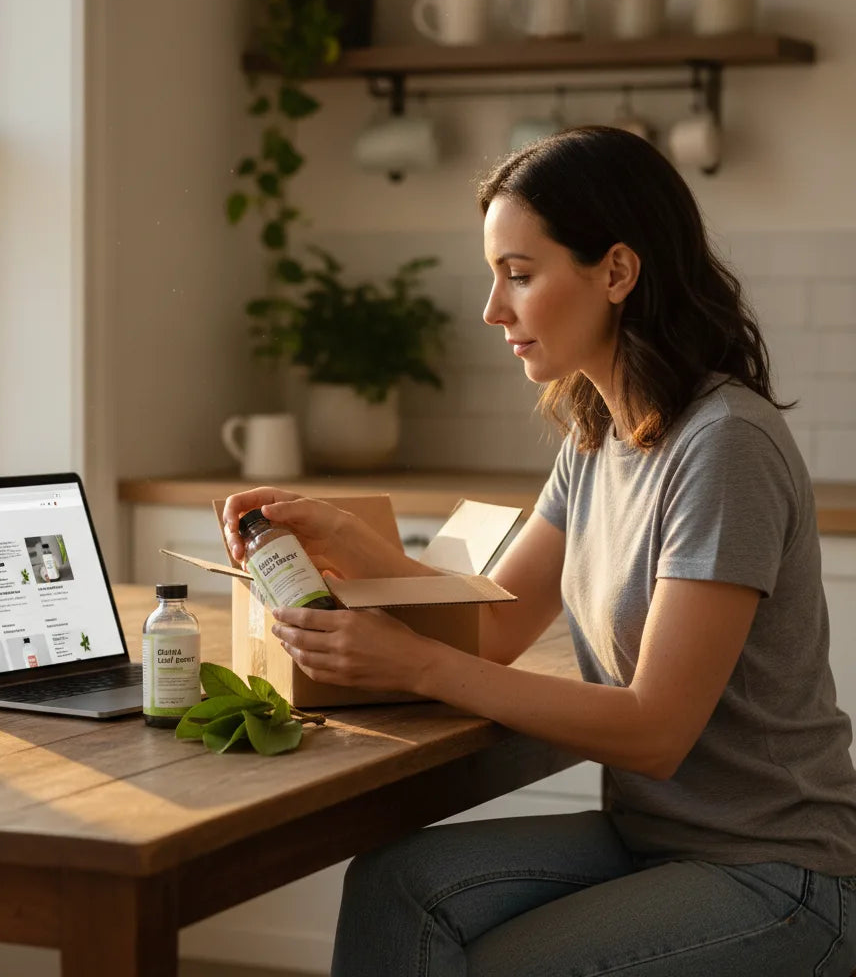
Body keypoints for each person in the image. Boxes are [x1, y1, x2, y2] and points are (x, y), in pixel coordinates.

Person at [222, 126, 856, 976]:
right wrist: (354, 543)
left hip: (781, 872)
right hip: (655, 837)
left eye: (519, 276)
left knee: (508, 964)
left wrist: (413, 664)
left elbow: (655, 730)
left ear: (618, 273)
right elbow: (495, 625)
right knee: (395, 884)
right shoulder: (599, 433)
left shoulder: (723, 445)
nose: (493, 309)